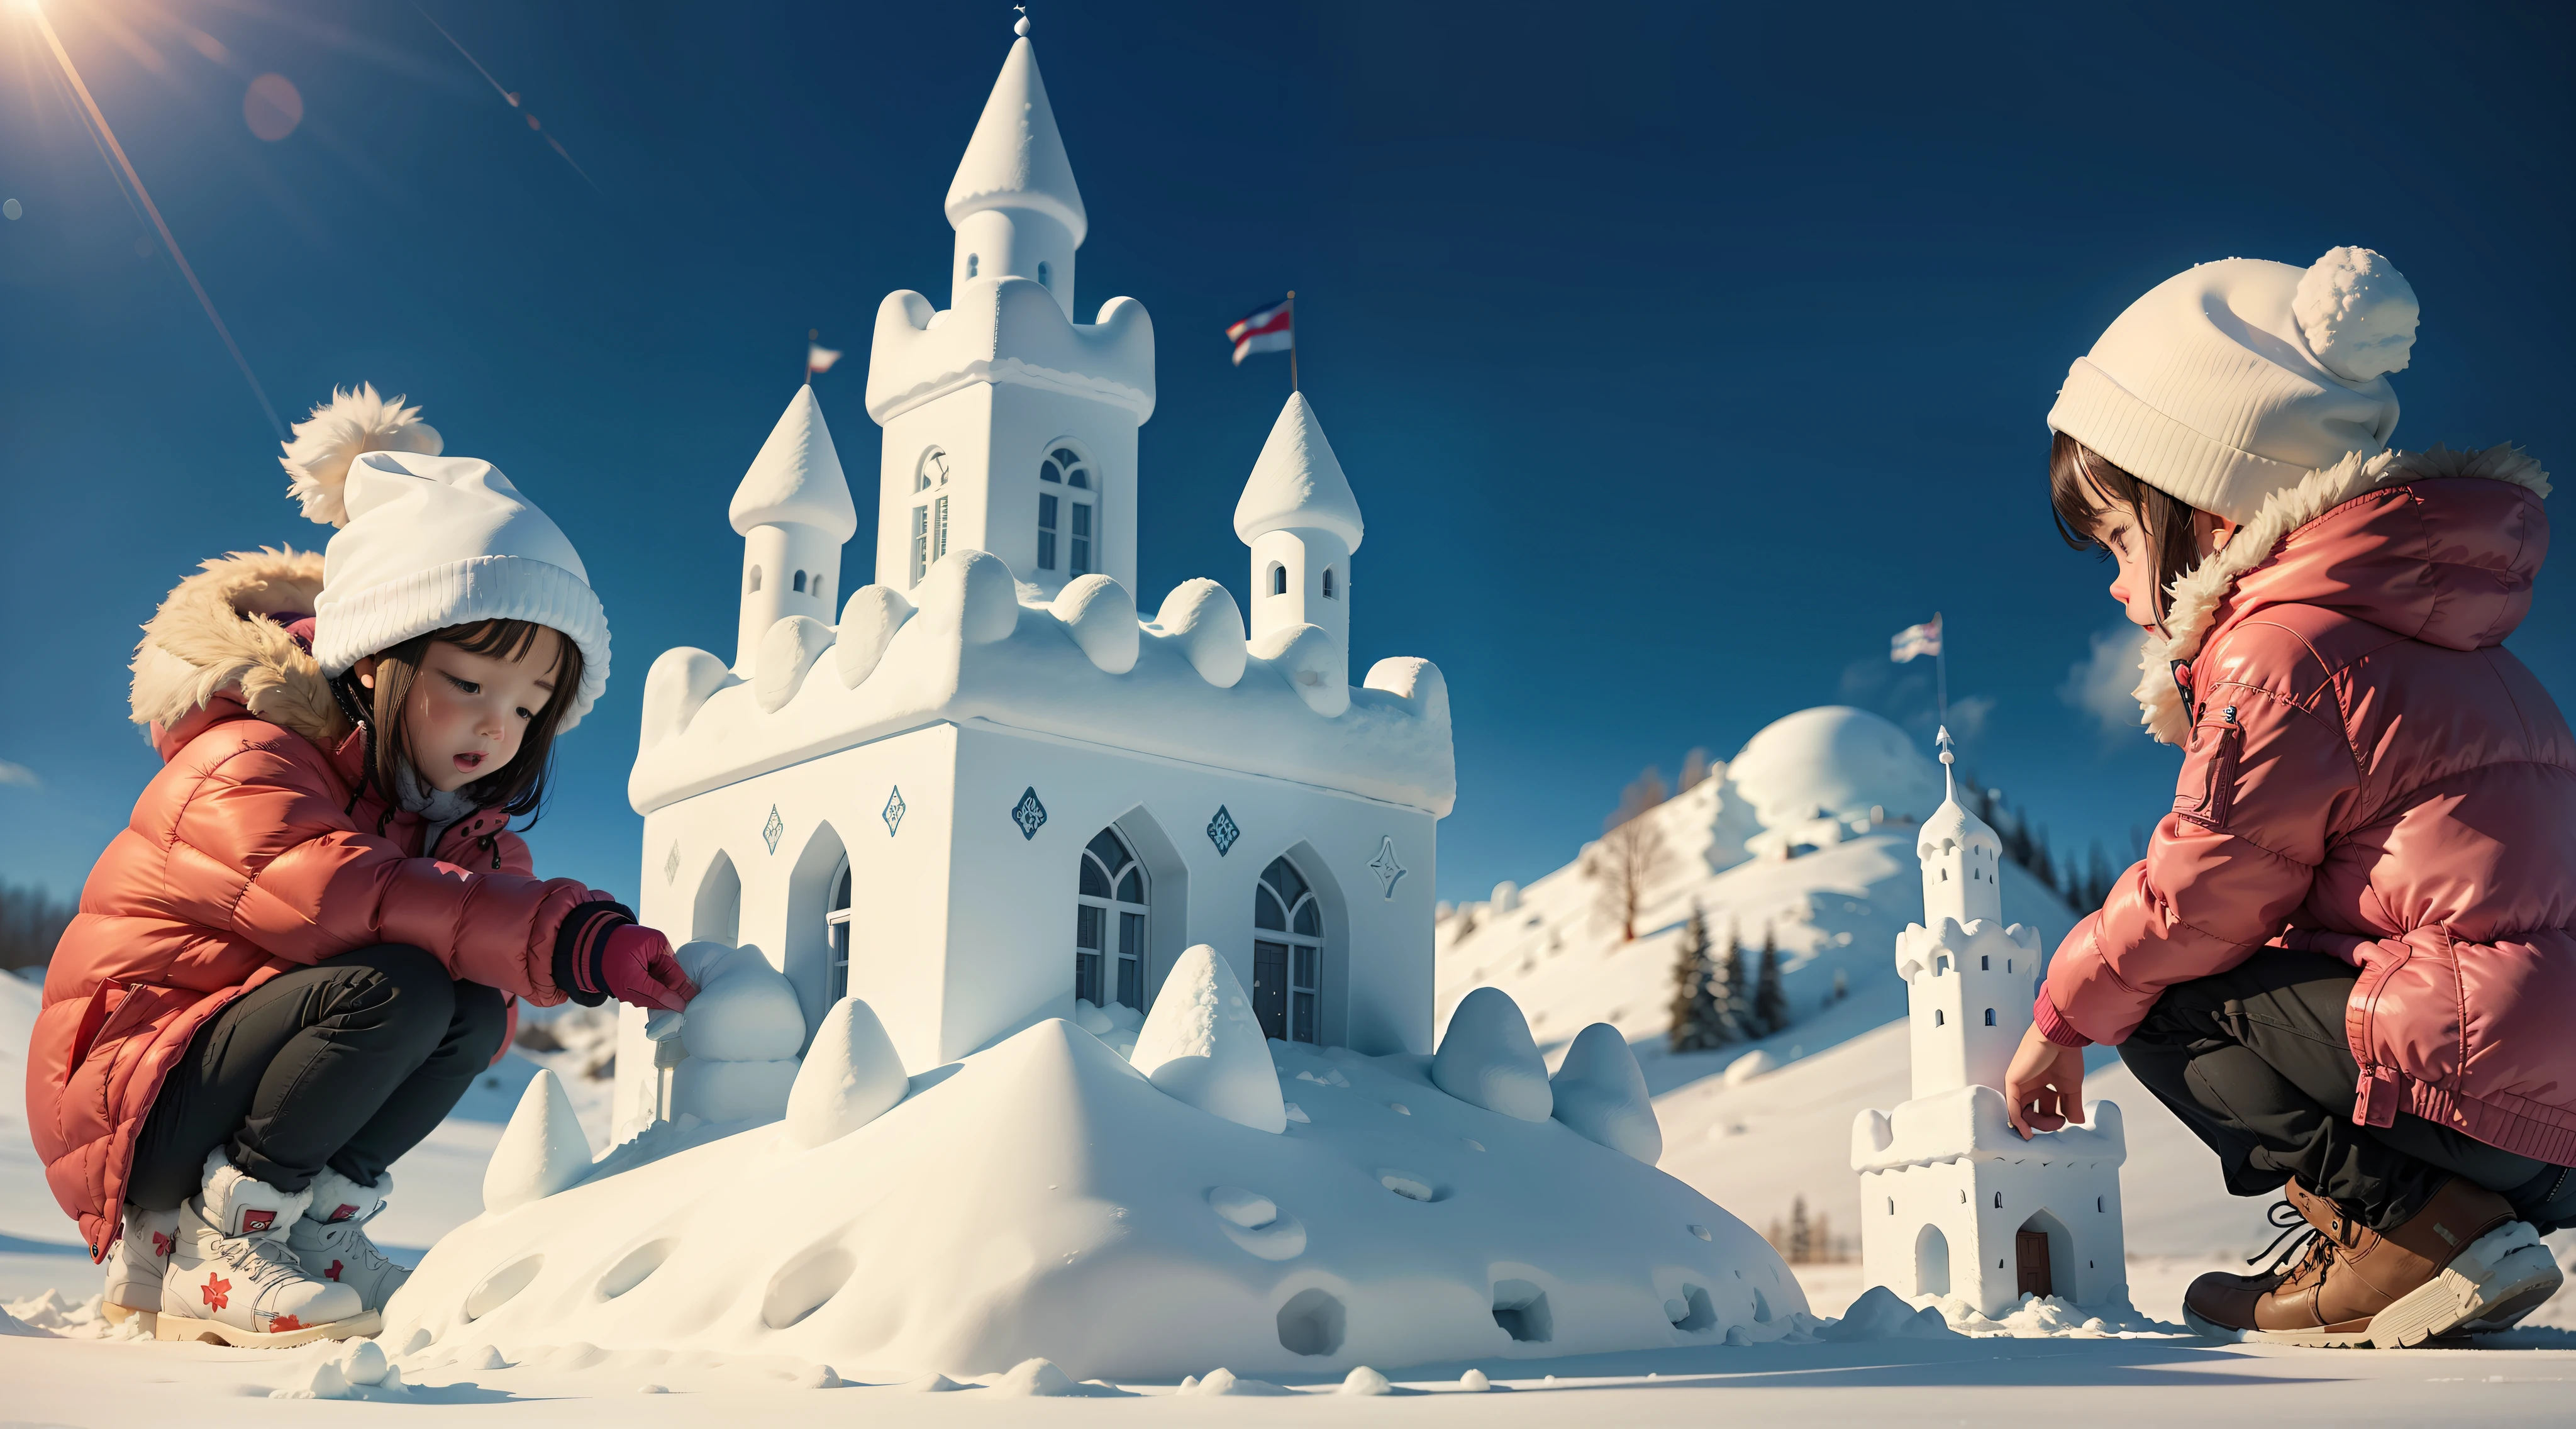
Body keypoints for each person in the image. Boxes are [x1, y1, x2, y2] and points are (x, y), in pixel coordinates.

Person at [25, 387, 696, 1347]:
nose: (495, 727)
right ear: (377, 660)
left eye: (528, 704)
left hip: (224, 1076)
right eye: (468, 685)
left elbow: (471, 927)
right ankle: (212, 1242)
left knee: (471, 1006)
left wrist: (584, 946)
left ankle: (314, 1228)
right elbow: (332, 892)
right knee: (401, 984)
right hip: (136, 1088)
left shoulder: (465, 835)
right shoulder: (248, 756)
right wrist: (560, 932)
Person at [1999, 248, 2573, 1347]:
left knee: (2164, 997)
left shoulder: (2281, 651)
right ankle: (2461, 1220)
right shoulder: (2473, 655)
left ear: (2214, 514)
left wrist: (2062, 1017)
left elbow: (2201, 895)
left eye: (2122, 538)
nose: (2122, 586)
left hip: (2470, 1089)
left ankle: (2404, 1230)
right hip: (2554, 1124)